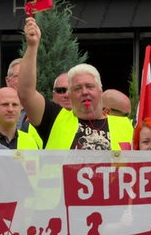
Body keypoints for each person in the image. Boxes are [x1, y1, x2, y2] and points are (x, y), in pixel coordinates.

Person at [18, 17, 133, 150]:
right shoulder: (55, 119)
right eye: (77, 88)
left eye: (89, 86)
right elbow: (26, 93)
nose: (84, 92)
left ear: (100, 91)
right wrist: (32, 46)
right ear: (70, 95)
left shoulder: (125, 126)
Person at [0, 58, 29, 131]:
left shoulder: (39, 111)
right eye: (18, 76)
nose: (23, 80)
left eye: (27, 76)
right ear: (8, 81)